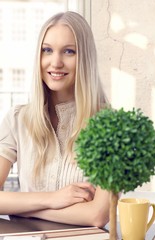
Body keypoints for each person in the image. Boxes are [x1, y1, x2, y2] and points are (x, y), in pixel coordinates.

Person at [0, 11, 110, 227]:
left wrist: (25, 209)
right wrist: (52, 199)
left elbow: (97, 215)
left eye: (69, 51)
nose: (55, 62)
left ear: (85, 58)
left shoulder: (110, 126)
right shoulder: (17, 119)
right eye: (47, 50)